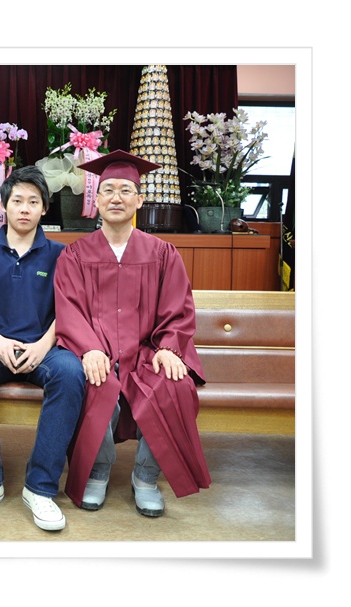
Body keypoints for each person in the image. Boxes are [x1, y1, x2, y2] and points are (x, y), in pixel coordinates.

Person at [54, 150, 211, 517]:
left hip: (147, 352)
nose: (116, 198)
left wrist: (169, 347)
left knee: (174, 384)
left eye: (126, 190)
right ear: (96, 200)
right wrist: (90, 349)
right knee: (91, 382)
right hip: (97, 352)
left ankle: (145, 476)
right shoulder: (75, 255)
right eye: (108, 190)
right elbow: (68, 309)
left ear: (139, 200)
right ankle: (97, 471)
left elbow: (179, 307)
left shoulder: (163, 253)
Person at [0, 166, 84, 531]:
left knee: (71, 373)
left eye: (33, 202)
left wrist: (42, 346)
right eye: (17, 201)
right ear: (3, 206)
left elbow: (68, 311)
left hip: (45, 346)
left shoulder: (61, 255)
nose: (25, 208)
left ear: (45, 208)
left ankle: (40, 488)